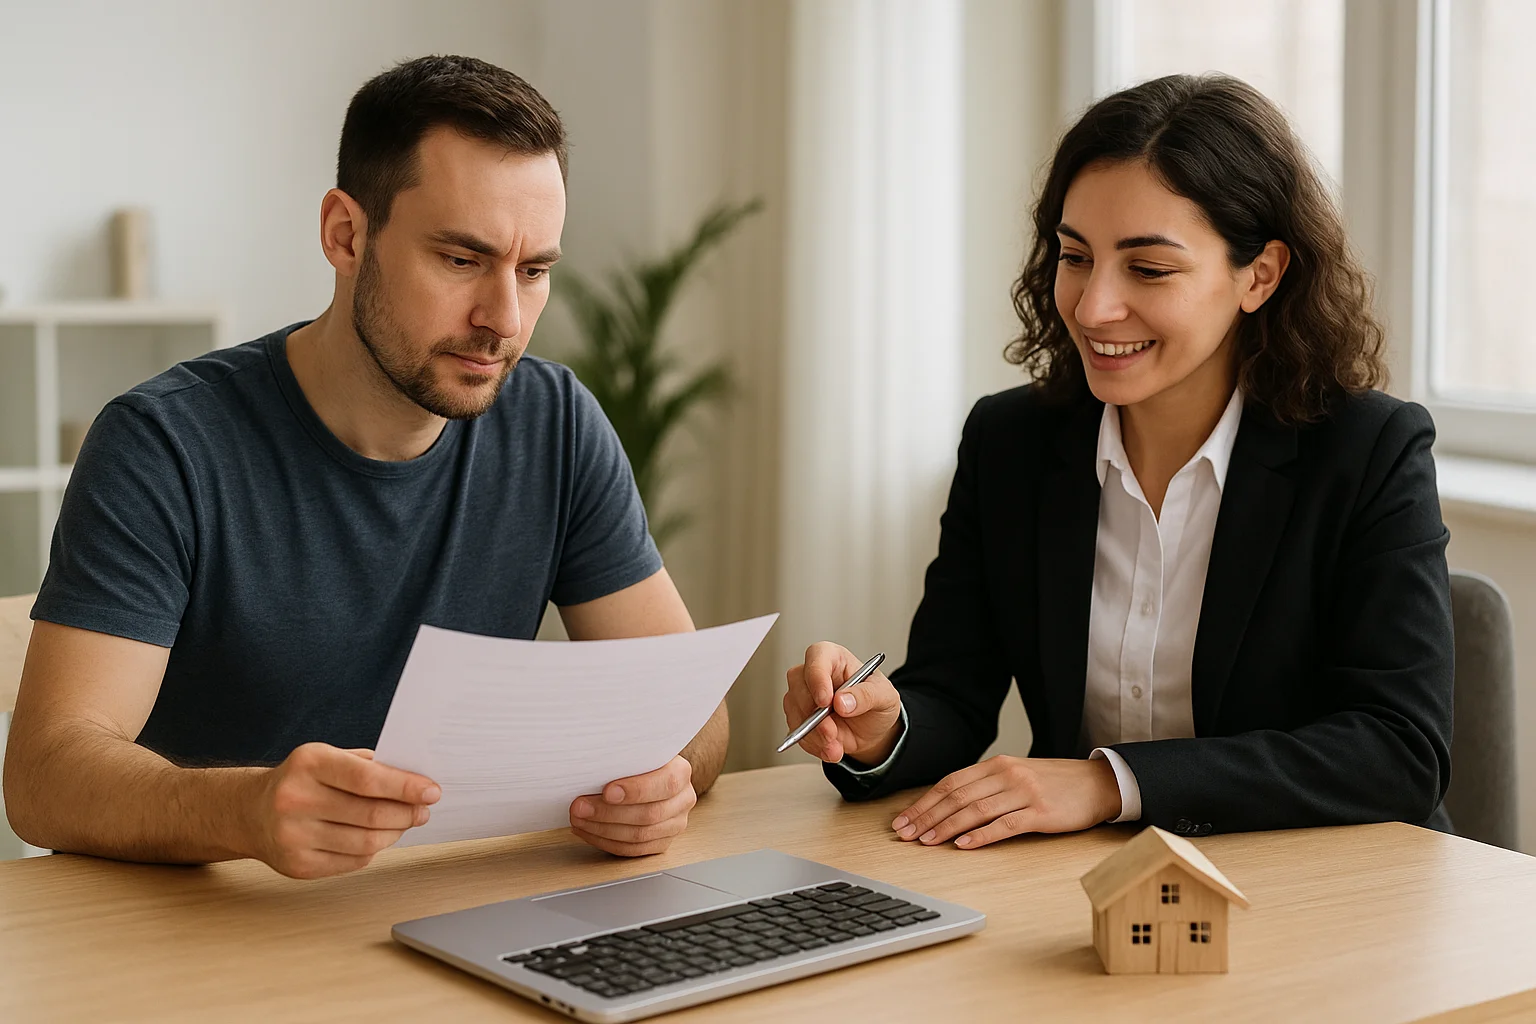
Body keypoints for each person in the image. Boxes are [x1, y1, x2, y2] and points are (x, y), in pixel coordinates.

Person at [2, 55, 727, 878]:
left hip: (451, 910)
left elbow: (690, 710)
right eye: (461, 259)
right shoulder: (164, 445)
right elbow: (43, 779)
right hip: (211, 930)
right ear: (346, 234)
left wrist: (666, 782)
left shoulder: (556, 425)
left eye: (533, 272)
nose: (504, 319)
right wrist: (244, 810)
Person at [781, 74, 1453, 850]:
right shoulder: (1010, 444)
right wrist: (882, 726)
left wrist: (1112, 782)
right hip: (1086, 889)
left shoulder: (1369, 450)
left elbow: (1399, 751)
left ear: (1260, 276)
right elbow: (953, 694)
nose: (1094, 307)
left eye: (1148, 268)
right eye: (1075, 256)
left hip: (1329, 887)